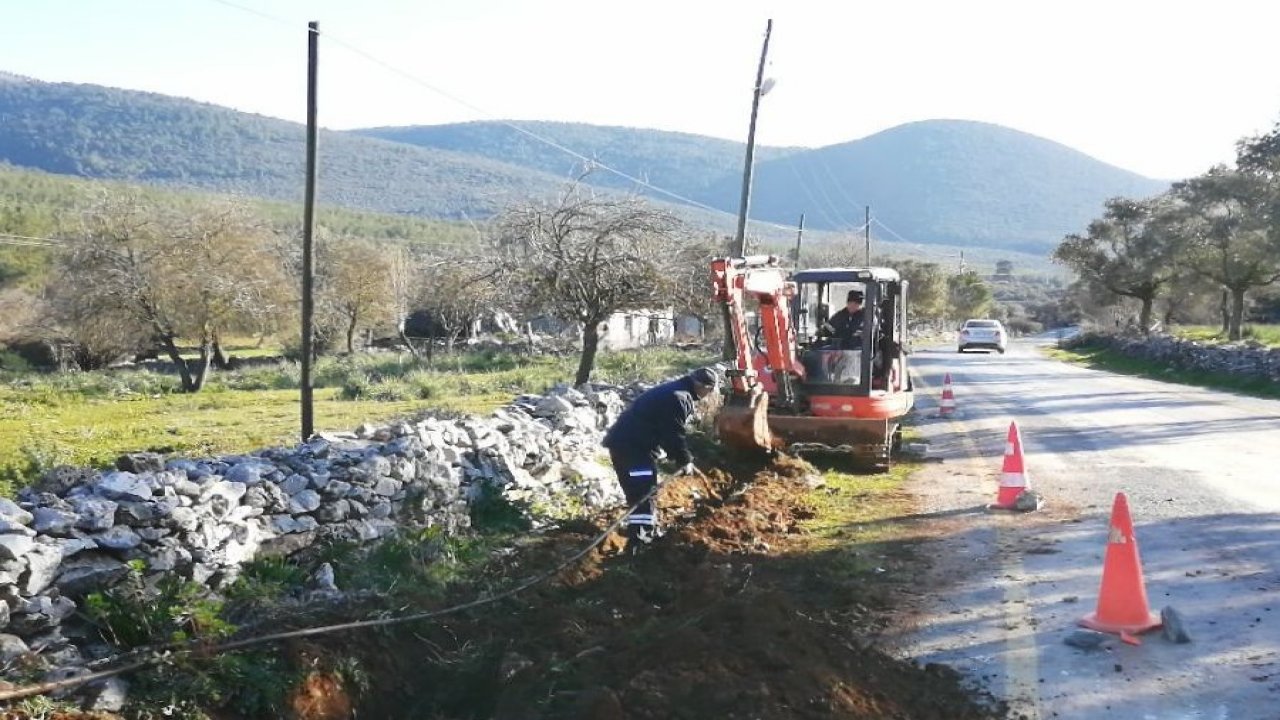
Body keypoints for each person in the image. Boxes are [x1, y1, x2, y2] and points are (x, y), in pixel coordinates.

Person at [602, 367, 718, 553]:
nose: (709, 395)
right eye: (709, 390)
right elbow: (673, 434)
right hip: (634, 450)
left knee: (638, 494)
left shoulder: (674, 390)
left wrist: (681, 457)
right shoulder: (679, 398)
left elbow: (667, 431)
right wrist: (684, 460)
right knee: (644, 493)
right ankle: (640, 544)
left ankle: (641, 535)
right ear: (704, 387)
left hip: (625, 446)